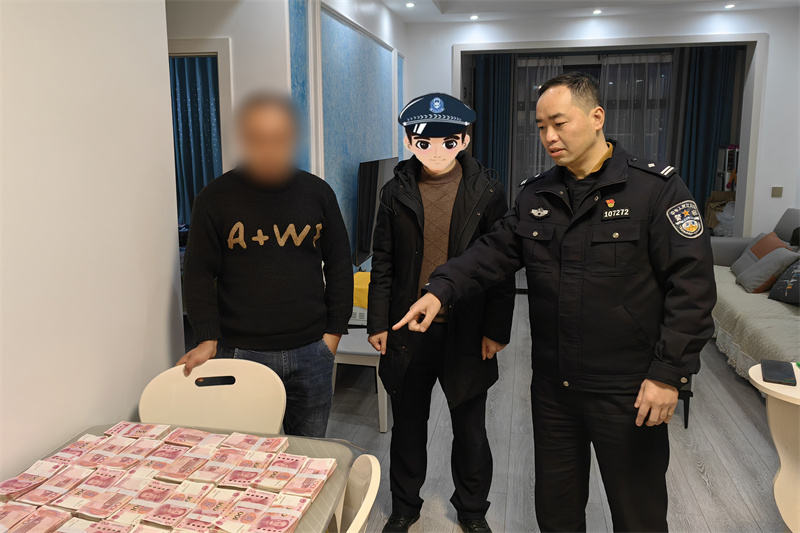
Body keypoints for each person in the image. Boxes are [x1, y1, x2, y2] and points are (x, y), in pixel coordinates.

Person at [395, 73, 716, 532]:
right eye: (541, 127)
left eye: (559, 123)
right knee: (556, 511)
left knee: (638, 514)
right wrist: (439, 288)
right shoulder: (537, 193)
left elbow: (693, 288)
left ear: (596, 117)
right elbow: (492, 252)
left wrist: (669, 374)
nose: (549, 136)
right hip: (554, 388)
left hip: (627, 387)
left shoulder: (654, 189)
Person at [368, 93, 515, 533]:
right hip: (407, 330)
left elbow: (501, 264)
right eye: (423, 142)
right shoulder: (394, 191)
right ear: (409, 142)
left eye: (448, 142)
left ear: (464, 140)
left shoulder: (487, 190)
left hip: (467, 329)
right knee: (408, 425)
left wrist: (496, 329)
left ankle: (472, 510)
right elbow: (383, 262)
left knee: (470, 429)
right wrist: (377, 323)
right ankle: (404, 506)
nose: (435, 152)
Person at [179, 92, 353, 438]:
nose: (268, 149)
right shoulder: (214, 199)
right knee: (246, 453)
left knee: (308, 453)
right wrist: (206, 337)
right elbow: (198, 273)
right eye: (258, 139)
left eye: (278, 139)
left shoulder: (318, 194)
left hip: (312, 352)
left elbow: (339, 265)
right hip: (241, 353)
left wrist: (333, 335)